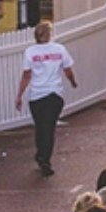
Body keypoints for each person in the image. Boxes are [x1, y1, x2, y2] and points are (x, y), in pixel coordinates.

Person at [15, 20, 78, 177]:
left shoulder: (30, 52)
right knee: (48, 127)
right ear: (50, 34)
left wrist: (19, 95)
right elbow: (68, 69)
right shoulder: (59, 49)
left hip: (36, 95)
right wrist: (73, 82)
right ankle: (44, 157)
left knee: (41, 126)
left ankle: (42, 155)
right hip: (54, 93)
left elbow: (26, 75)